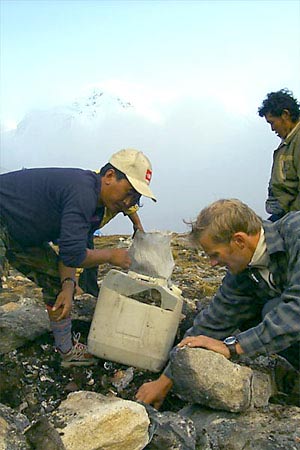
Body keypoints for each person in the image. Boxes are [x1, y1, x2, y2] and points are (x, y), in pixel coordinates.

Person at [136, 199, 300, 409]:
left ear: (239, 241)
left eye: (215, 255)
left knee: (274, 310)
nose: (213, 263)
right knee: (262, 314)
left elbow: (296, 311)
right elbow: (214, 322)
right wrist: (165, 381)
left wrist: (232, 347)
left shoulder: (295, 231)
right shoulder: (243, 271)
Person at [0, 148, 156, 367]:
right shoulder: (83, 191)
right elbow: (74, 254)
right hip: (4, 218)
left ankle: (66, 350)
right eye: (129, 192)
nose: (129, 202)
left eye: (136, 199)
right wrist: (111, 255)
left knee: (56, 280)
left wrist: (67, 285)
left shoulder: (95, 208)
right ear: (110, 176)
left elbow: (69, 248)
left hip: (21, 234)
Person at [258, 89, 300, 222]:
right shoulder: (286, 144)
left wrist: (288, 219)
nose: (272, 129)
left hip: (293, 217)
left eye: (272, 122)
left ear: (285, 115)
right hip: (284, 214)